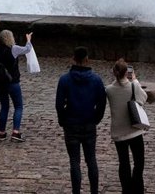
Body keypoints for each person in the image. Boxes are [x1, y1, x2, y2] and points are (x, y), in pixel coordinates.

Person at [56, 46, 107, 194]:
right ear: (87, 59)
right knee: (91, 160)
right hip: (89, 123)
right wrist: (96, 118)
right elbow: (102, 102)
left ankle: (76, 191)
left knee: (74, 161)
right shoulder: (96, 80)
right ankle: (94, 191)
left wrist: (63, 120)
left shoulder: (65, 80)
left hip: (71, 124)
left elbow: (59, 104)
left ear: (73, 59)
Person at [105, 58, 147, 194]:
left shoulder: (109, 90)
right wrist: (134, 79)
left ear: (114, 72)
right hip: (134, 130)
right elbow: (143, 98)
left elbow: (115, 87)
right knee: (139, 162)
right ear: (126, 72)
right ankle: (137, 188)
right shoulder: (133, 86)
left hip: (119, 133)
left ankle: (126, 190)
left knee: (124, 164)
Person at [0, 29, 32, 142]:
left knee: (4, 106)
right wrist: (28, 40)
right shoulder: (13, 49)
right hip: (12, 82)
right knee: (18, 106)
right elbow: (27, 49)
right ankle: (15, 132)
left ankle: (2, 133)